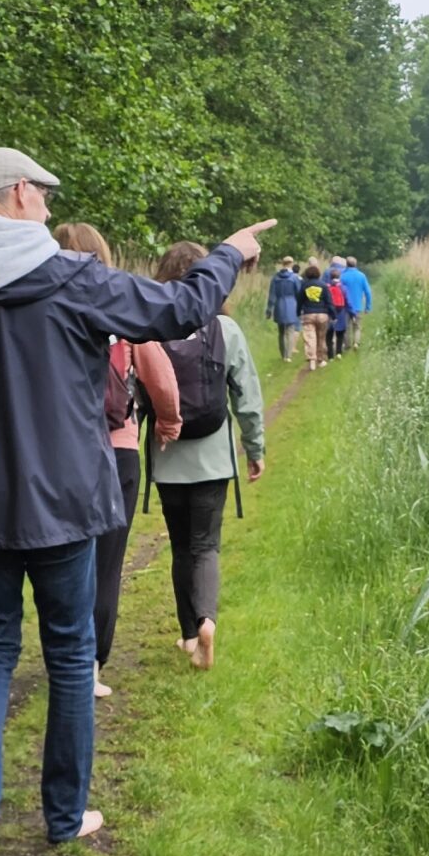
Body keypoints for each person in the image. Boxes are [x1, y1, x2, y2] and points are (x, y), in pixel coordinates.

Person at [0, 146, 272, 856]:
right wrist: (229, 252)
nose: (47, 204)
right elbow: (180, 309)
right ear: (16, 193)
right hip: (65, 500)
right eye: (41, 192)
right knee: (70, 655)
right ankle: (64, 816)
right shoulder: (73, 278)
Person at [55, 221, 178, 698]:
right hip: (117, 449)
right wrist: (168, 423)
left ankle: (62, 655)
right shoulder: (118, 309)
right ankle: (89, 666)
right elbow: (160, 379)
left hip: (61, 452)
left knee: (62, 560)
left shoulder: (43, 308)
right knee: (106, 563)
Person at [147, 241, 266, 671]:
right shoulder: (225, 329)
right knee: (205, 545)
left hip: (167, 457)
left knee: (181, 547)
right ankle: (207, 622)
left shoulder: (150, 328)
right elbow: (247, 397)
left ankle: (187, 634)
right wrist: (255, 448)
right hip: (213, 458)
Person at [296, 257, 333, 370]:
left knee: (310, 337)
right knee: (321, 337)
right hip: (322, 314)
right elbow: (329, 301)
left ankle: (312, 359)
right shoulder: (323, 286)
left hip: (308, 314)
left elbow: (299, 301)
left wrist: (298, 312)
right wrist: (333, 314)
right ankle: (320, 360)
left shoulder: (304, 286)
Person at [265, 254, 302, 360]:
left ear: (282, 263)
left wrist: (269, 309)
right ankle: (288, 356)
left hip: (279, 304)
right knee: (290, 330)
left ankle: (283, 354)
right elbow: (299, 293)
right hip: (292, 304)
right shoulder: (294, 278)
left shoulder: (275, 278)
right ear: (291, 264)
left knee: (281, 332)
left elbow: (272, 295)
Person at [338, 253, 374, 349]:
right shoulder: (361, 276)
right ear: (355, 264)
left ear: (346, 264)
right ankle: (356, 343)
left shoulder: (342, 276)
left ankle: (347, 345)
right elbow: (368, 292)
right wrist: (368, 306)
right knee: (357, 326)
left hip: (345, 306)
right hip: (357, 306)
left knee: (346, 327)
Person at [325, 256, 352, 358]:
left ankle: (330, 355)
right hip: (341, 311)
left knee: (329, 334)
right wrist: (352, 311)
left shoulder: (326, 288)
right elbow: (348, 301)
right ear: (339, 276)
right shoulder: (343, 288)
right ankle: (339, 353)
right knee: (340, 333)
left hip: (330, 312)